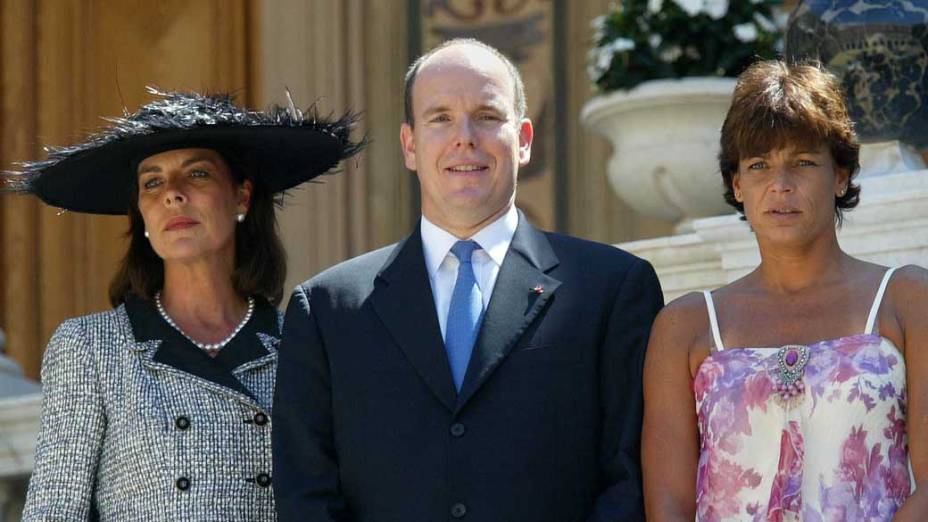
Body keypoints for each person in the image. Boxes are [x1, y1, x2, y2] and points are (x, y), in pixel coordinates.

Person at [272, 38, 663, 522]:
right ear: (410, 145)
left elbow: (629, 483)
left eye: (486, 115)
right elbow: (307, 497)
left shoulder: (613, 290)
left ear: (522, 139)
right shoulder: (328, 310)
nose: (464, 137)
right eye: (439, 118)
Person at [4, 88, 363, 521]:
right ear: (141, 212)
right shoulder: (91, 347)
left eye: (197, 175)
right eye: (152, 182)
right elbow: (53, 511)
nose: (172, 194)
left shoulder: (302, 345)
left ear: (242, 197)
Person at [642, 60, 928, 521]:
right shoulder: (686, 326)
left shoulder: (908, 299)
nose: (780, 185)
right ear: (737, 185)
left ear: (839, 176)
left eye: (803, 162)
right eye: (759, 166)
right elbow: (668, 507)